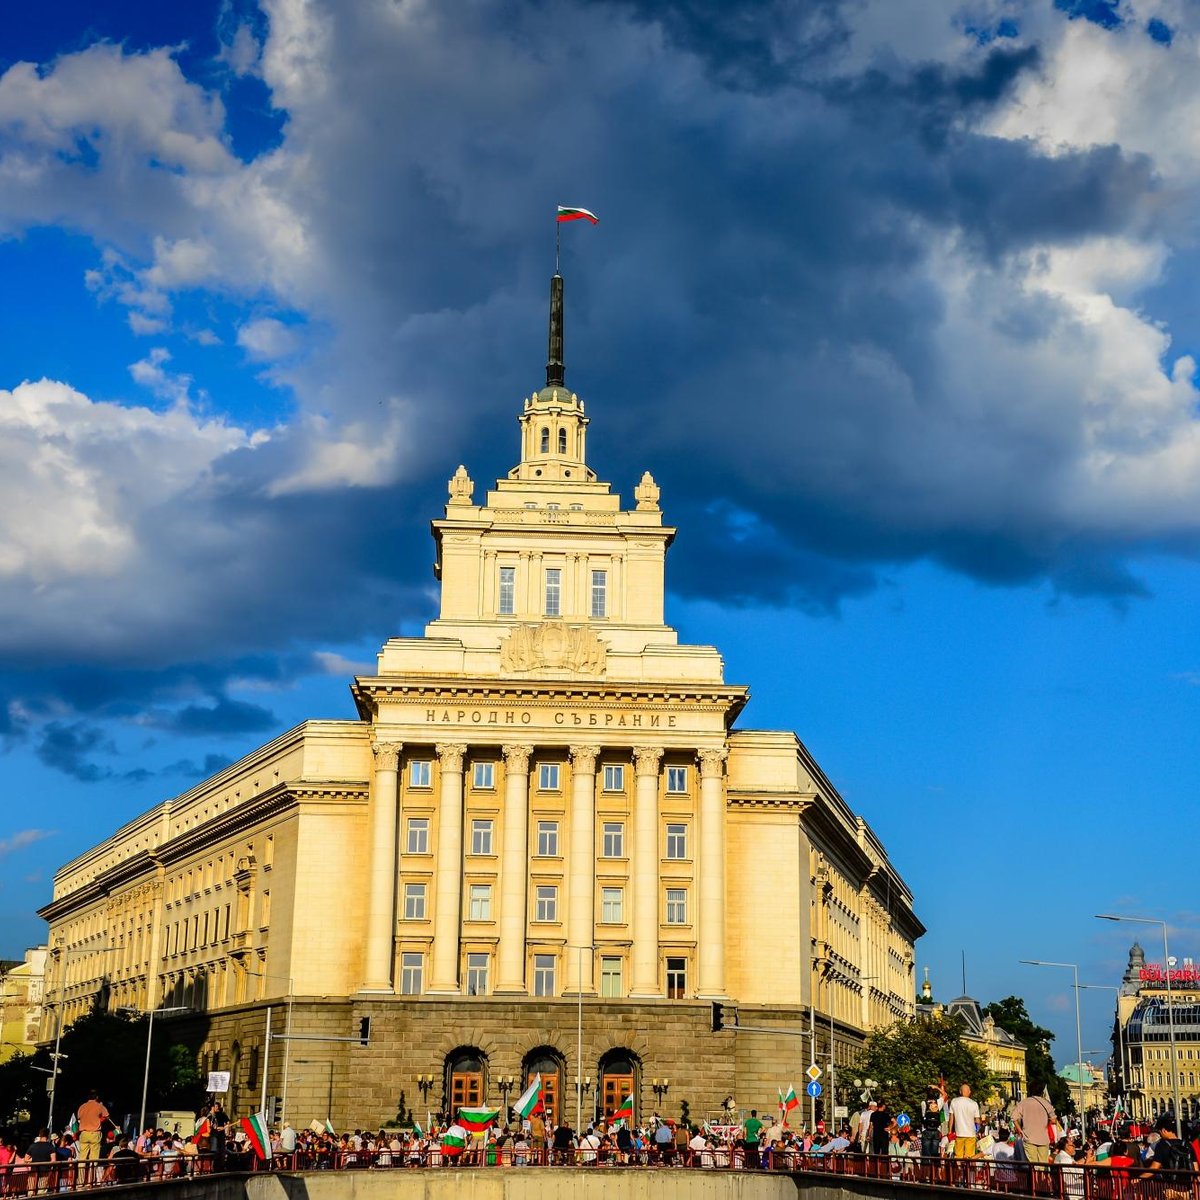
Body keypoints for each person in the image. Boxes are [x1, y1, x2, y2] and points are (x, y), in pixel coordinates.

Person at [1012, 1092, 1057, 1165]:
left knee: (1033, 1164)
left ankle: (1035, 1176)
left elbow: (1014, 1118)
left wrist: (1020, 1130)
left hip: (1029, 1137)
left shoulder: (1024, 1102)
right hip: (1043, 1138)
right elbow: (1053, 1120)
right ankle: (1042, 1176)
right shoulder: (1046, 1103)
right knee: (1043, 1163)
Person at [76, 1090, 109, 1165]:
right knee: (94, 1159)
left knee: (82, 1158)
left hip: (83, 1133)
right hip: (94, 1133)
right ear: (97, 1097)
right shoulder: (99, 1106)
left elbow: (79, 1118)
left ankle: (81, 1176)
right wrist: (99, 1120)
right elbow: (107, 1116)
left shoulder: (82, 1106)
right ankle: (91, 1176)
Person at [948, 1084, 980, 1159]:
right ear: (969, 1092)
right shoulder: (974, 1103)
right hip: (971, 1134)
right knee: (969, 1157)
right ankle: (968, 1170)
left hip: (959, 1133)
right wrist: (977, 1131)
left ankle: (959, 1169)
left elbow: (951, 1118)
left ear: (960, 1092)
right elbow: (977, 1121)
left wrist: (949, 1131)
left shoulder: (954, 1101)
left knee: (958, 1156)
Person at [920, 1083, 946, 1159]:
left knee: (926, 1154)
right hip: (936, 1130)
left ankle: (926, 1169)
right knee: (934, 1154)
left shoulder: (923, 1103)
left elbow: (923, 1115)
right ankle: (934, 1169)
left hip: (926, 1129)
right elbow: (945, 1095)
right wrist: (937, 1088)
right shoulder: (938, 1102)